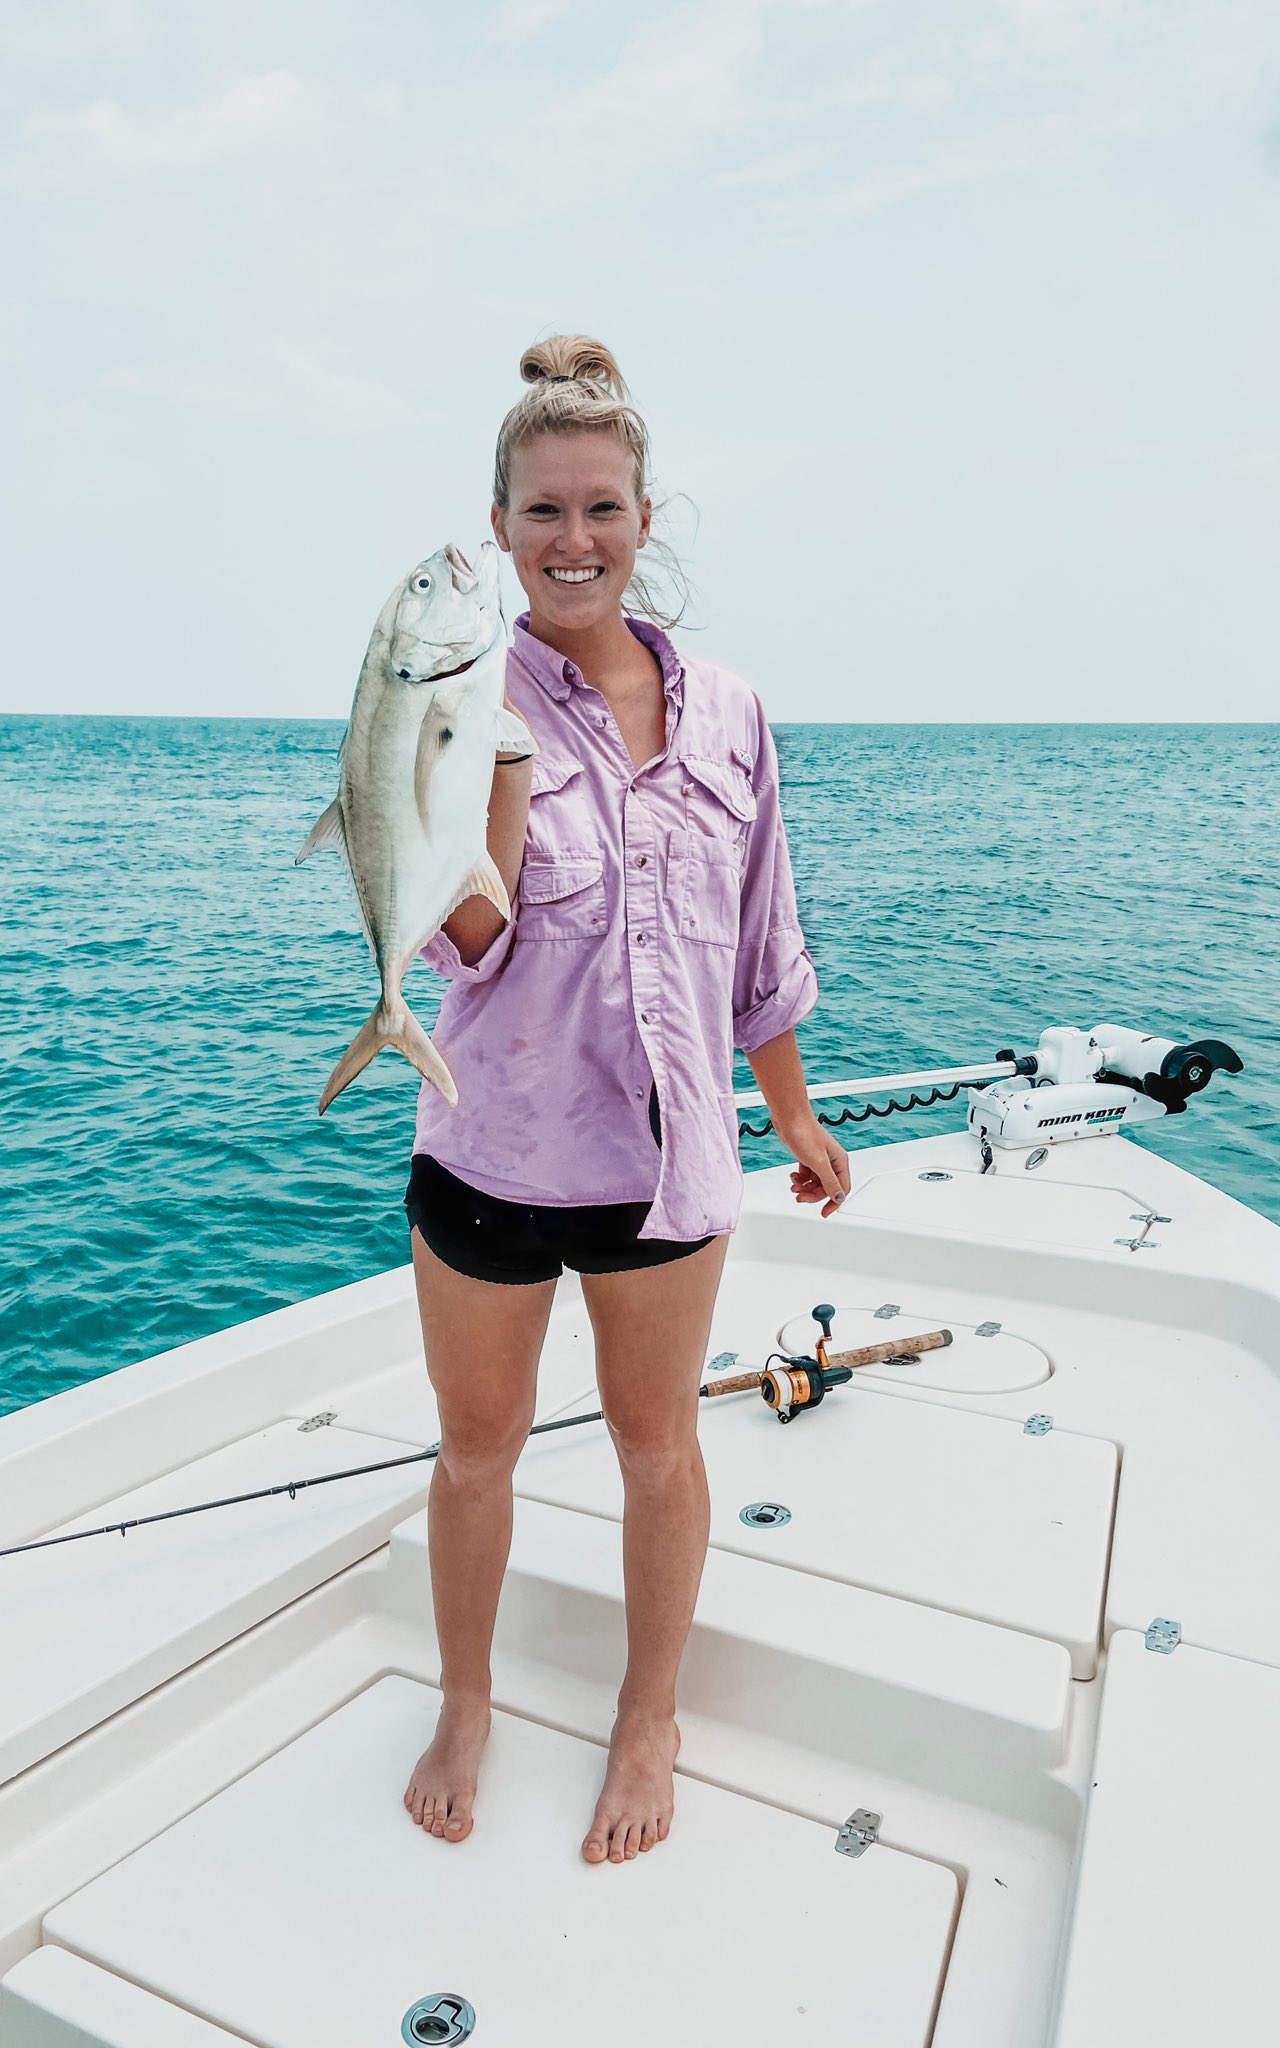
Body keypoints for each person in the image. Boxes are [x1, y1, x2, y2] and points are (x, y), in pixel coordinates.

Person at [401, 334, 852, 1865]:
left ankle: (646, 1713)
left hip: (668, 1169)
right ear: (499, 530)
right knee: (479, 1453)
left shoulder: (731, 709)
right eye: (541, 513)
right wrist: (503, 781)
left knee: (660, 1448)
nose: (573, 540)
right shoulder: (455, 690)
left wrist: (791, 1114)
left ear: (647, 517)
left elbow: (760, 939)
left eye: (601, 508)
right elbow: (465, 945)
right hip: (492, 1156)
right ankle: (467, 1700)